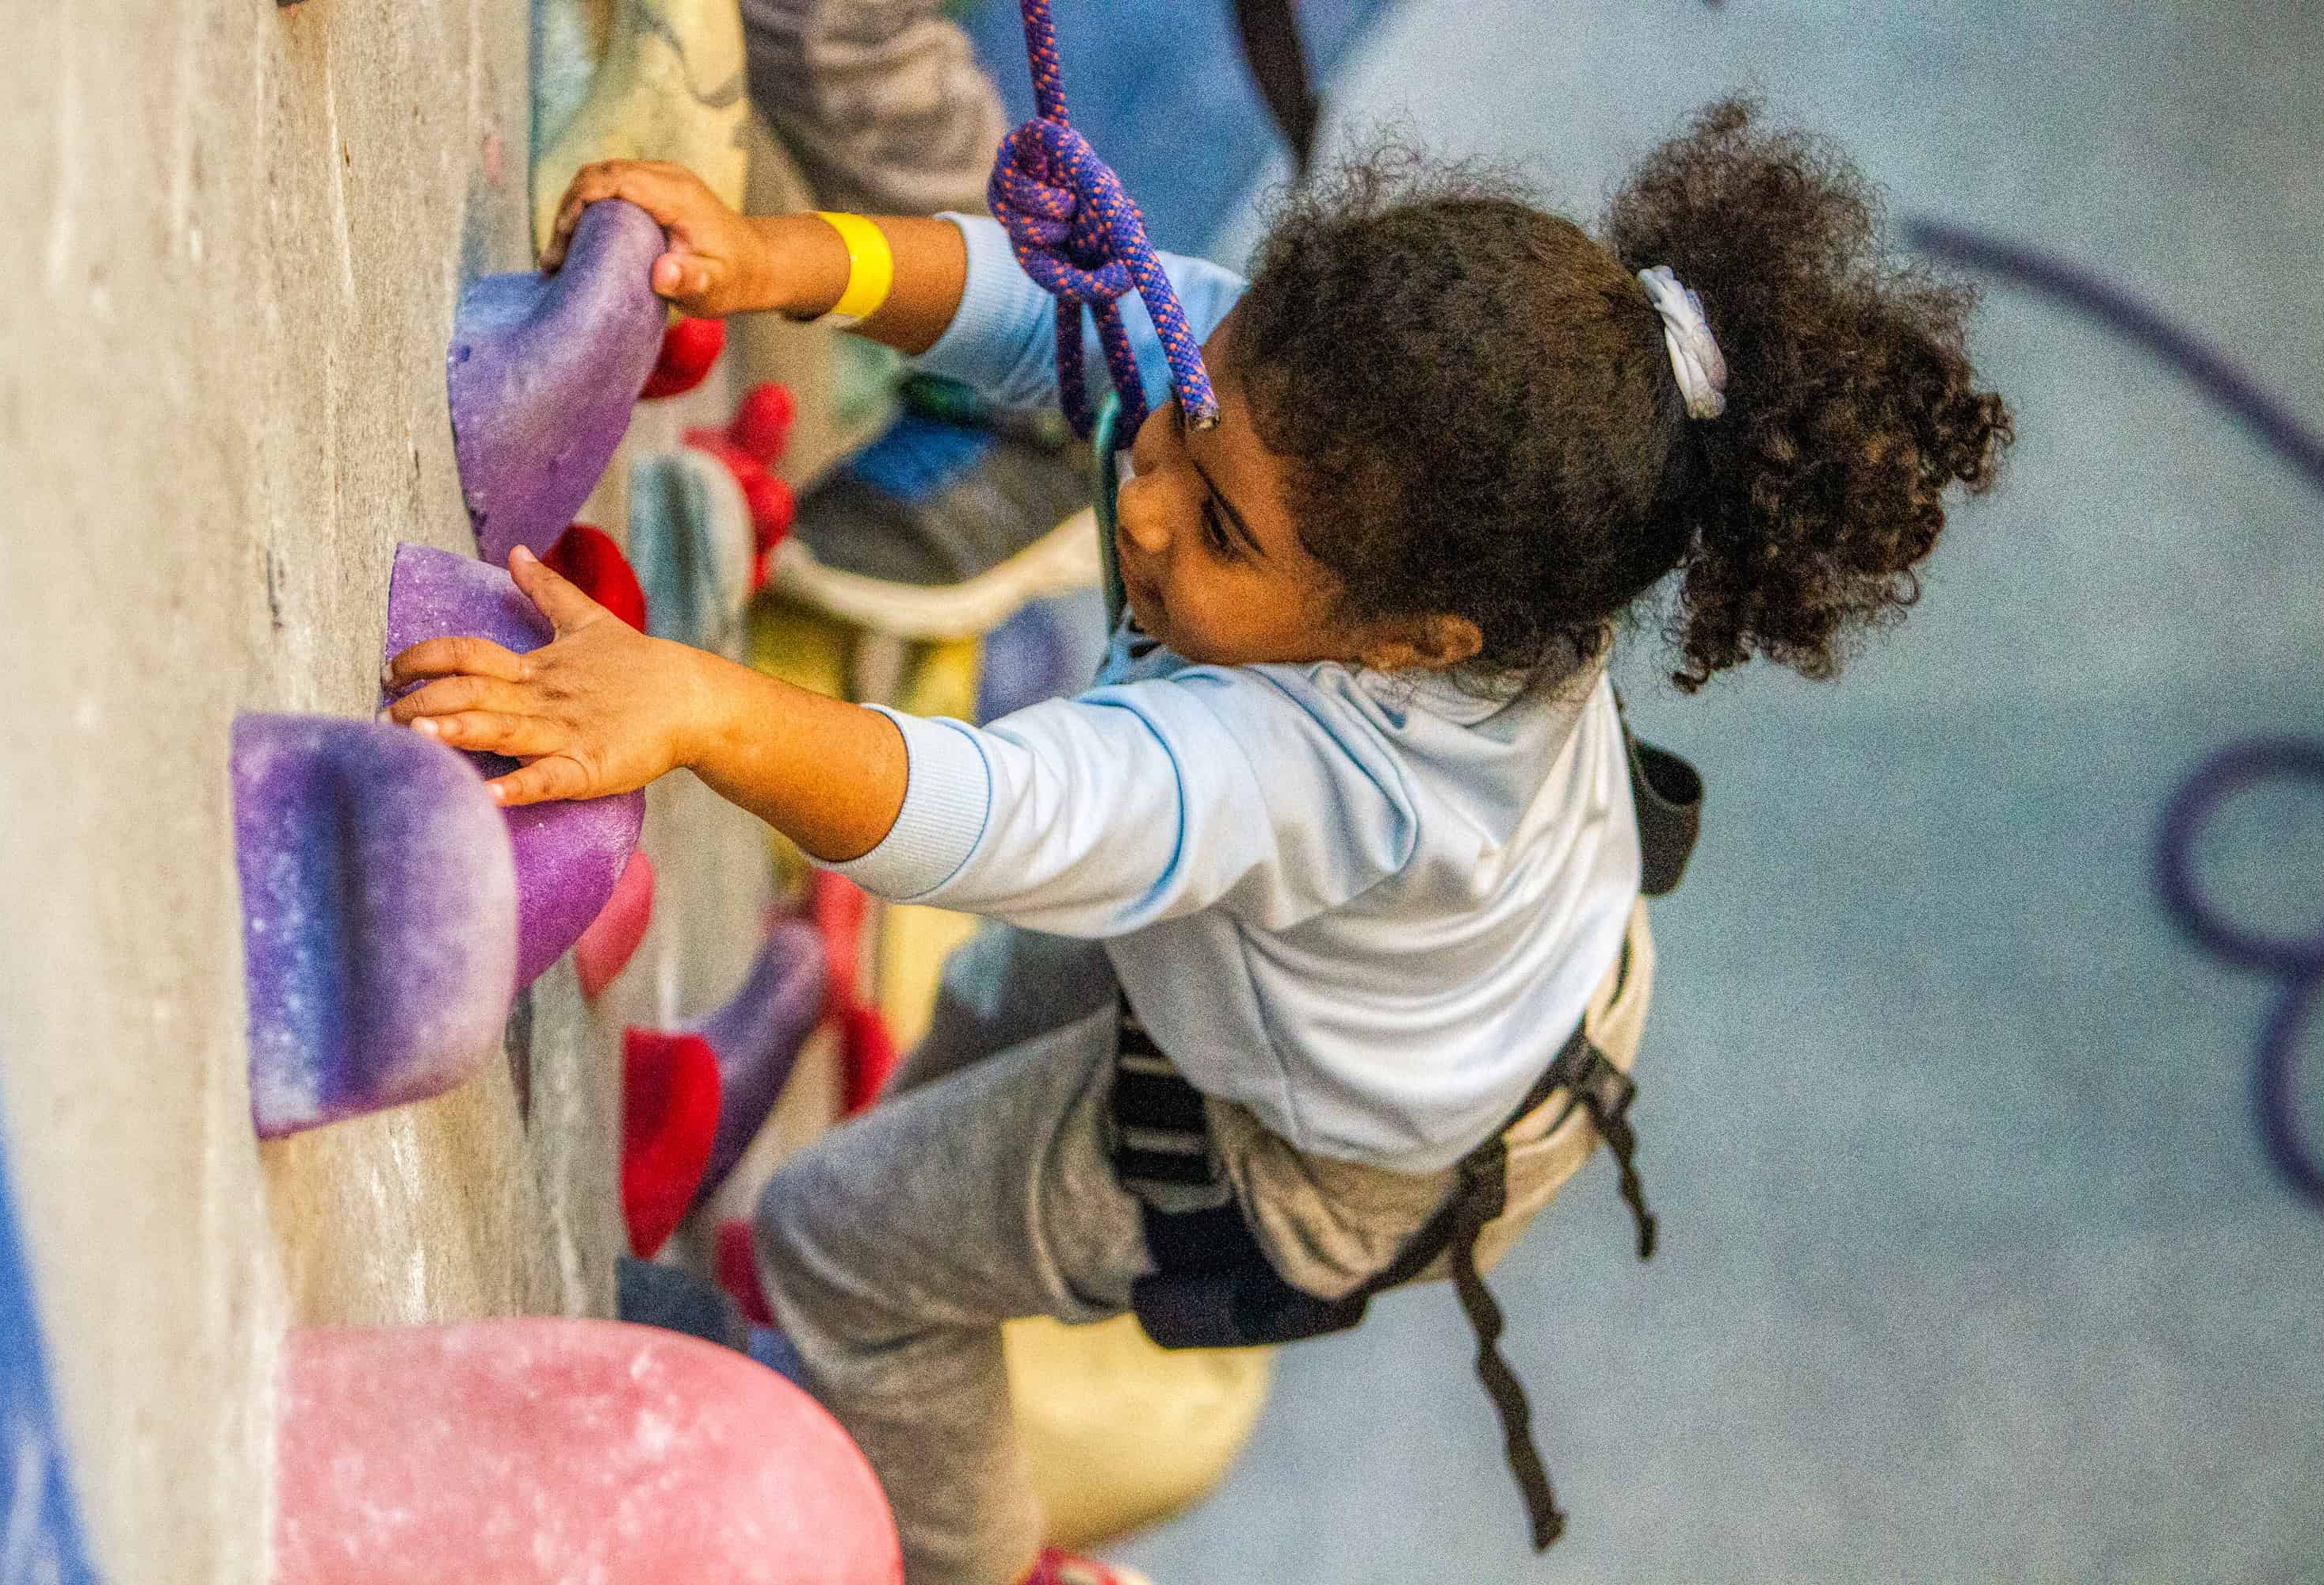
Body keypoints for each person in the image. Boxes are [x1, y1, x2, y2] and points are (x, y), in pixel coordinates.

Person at [389, 99, 2012, 1585]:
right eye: (1180, 417)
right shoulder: (1321, 442)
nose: (1145, 496)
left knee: (842, 1246)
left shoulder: (1323, 773)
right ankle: (849, 1333)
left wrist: (697, 707)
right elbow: (1070, 313)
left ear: (1413, 641)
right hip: (1448, 978)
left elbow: (1005, 810)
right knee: (991, 1009)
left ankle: (982, 1565)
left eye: (1220, 528)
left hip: (1333, 1153)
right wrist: (784, 258)